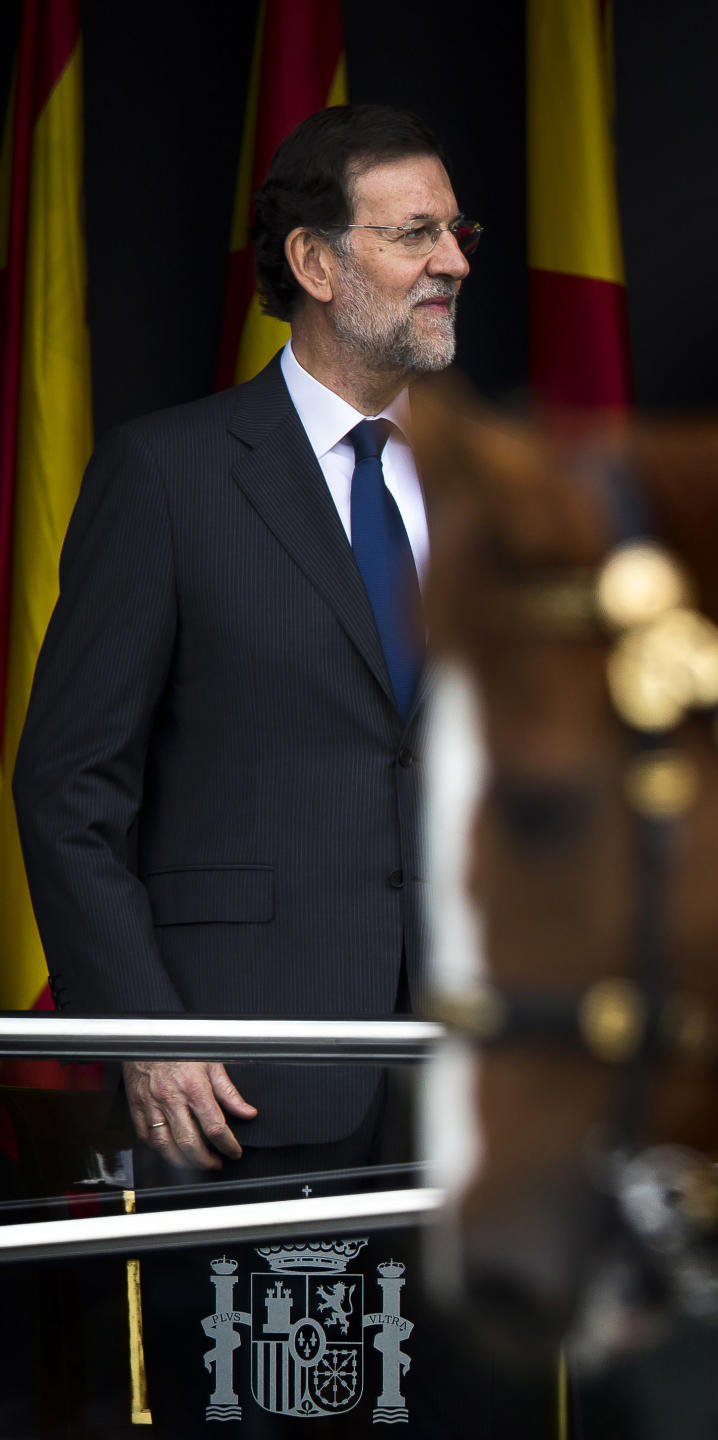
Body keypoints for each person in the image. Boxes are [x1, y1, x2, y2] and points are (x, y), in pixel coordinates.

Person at [13, 104, 478, 1176]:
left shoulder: (490, 487)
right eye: (415, 234)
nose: (451, 261)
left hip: (475, 1101)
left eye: (458, 234)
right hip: (242, 1091)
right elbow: (69, 786)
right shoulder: (168, 479)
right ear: (315, 262)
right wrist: (145, 1033)